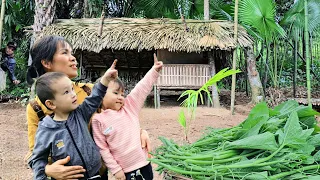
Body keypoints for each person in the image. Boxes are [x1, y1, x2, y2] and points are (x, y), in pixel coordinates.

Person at [25, 35, 151, 180]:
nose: (73, 58)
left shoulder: (90, 91)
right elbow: (34, 152)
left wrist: (139, 132)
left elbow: (119, 117)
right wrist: (48, 170)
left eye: (72, 53)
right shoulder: (36, 108)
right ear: (47, 63)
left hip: (99, 173)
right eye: (65, 53)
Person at [28, 60, 117, 179]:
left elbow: (95, 97)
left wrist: (105, 80)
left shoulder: (81, 113)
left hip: (96, 174)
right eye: (66, 92)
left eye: (72, 89)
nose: (73, 94)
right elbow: (38, 159)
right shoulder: (46, 130)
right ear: (51, 104)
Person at [92, 54, 163, 180]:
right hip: (125, 171)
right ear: (101, 94)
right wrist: (116, 169)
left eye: (122, 94)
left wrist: (154, 71)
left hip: (144, 163)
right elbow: (103, 149)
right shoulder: (98, 120)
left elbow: (141, 89)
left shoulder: (129, 107)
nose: (120, 97)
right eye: (115, 93)